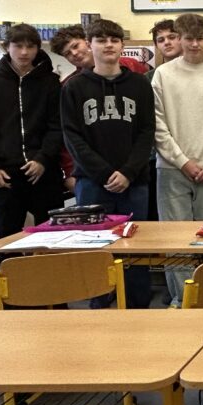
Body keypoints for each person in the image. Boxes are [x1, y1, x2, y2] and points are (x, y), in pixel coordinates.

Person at [60, 19, 155, 308]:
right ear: (90, 45)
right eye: (101, 40)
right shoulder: (74, 87)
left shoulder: (139, 84)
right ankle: (99, 309)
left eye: (114, 39)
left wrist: (127, 172)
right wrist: (104, 173)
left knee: (135, 249)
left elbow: (147, 132)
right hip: (92, 183)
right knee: (95, 249)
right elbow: (72, 136)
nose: (108, 45)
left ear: (122, 45)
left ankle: (138, 308)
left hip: (134, 182)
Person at [152, 13, 203, 306]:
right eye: (189, 38)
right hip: (173, 168)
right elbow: (158, 124)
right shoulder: (163, 74)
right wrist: (182, 161)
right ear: (179, 39)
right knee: (177, 240)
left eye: (200, 39)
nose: (195, 44)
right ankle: (183, 300)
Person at [0, 24, 64, 241]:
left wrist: (42, 159)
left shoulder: (51, 82)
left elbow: (57, 126)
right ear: (7, 47)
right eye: (18, 46)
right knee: (6, 240)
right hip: (4, 176)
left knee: (53, 240)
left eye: (30, 46)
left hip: (44, 173)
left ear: (37, 48)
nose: (24, 52)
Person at [51, 23, 149, 193]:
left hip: (134, 174)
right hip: (92, 177)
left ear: (87, 41)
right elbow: (69, 134)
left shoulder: (133, 70)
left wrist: (130, 170)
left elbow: (147, 127)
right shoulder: (70, 86)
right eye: (67, 53)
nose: (74, 53)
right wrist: (69, 171)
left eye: (75, 46)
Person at [146, 19, 182, 220]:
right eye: (161, 40)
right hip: (159, 156)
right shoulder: (148, 78)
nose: (167, 42)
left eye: (172, 37)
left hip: (195, 154)